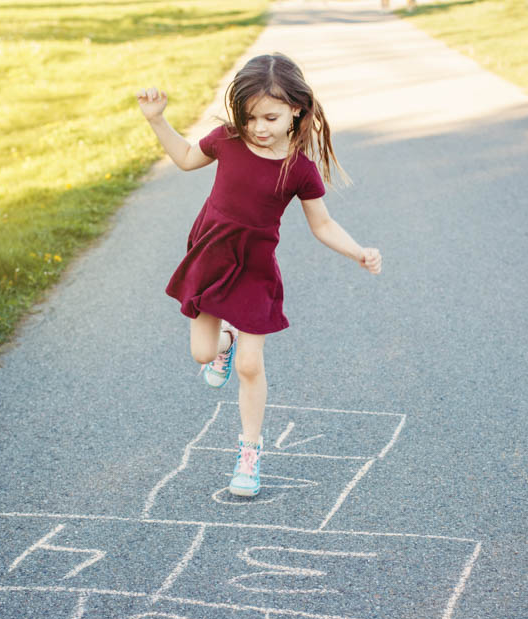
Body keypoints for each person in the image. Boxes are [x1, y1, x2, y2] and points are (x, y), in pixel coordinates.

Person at [136, 53, 381, 498]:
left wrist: (357, 252)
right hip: (210, 257)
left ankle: (249, 453)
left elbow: (322, 225)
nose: (259, 127)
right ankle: (223, 344)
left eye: (270, 116)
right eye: (250, 117)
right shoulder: (228, 141)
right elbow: (188, 158)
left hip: (254, 269)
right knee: (201, 353)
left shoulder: (299, 169)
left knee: (252, 366)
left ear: (296, 110)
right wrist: (158, 121)